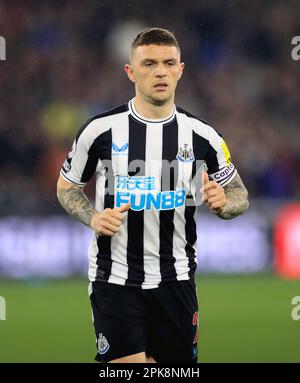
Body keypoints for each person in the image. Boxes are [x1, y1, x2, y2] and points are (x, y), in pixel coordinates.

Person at [57, 27, 249, 363]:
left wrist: (225, 204)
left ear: (180, 70)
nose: (159, 71)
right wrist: (93, 217)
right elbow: (67, 187)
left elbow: (239, 194)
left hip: (177, 280)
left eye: (168, 62)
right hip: (115, 278)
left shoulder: (204, 136)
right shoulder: (99, 131)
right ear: (130, 71)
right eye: (148, 64)